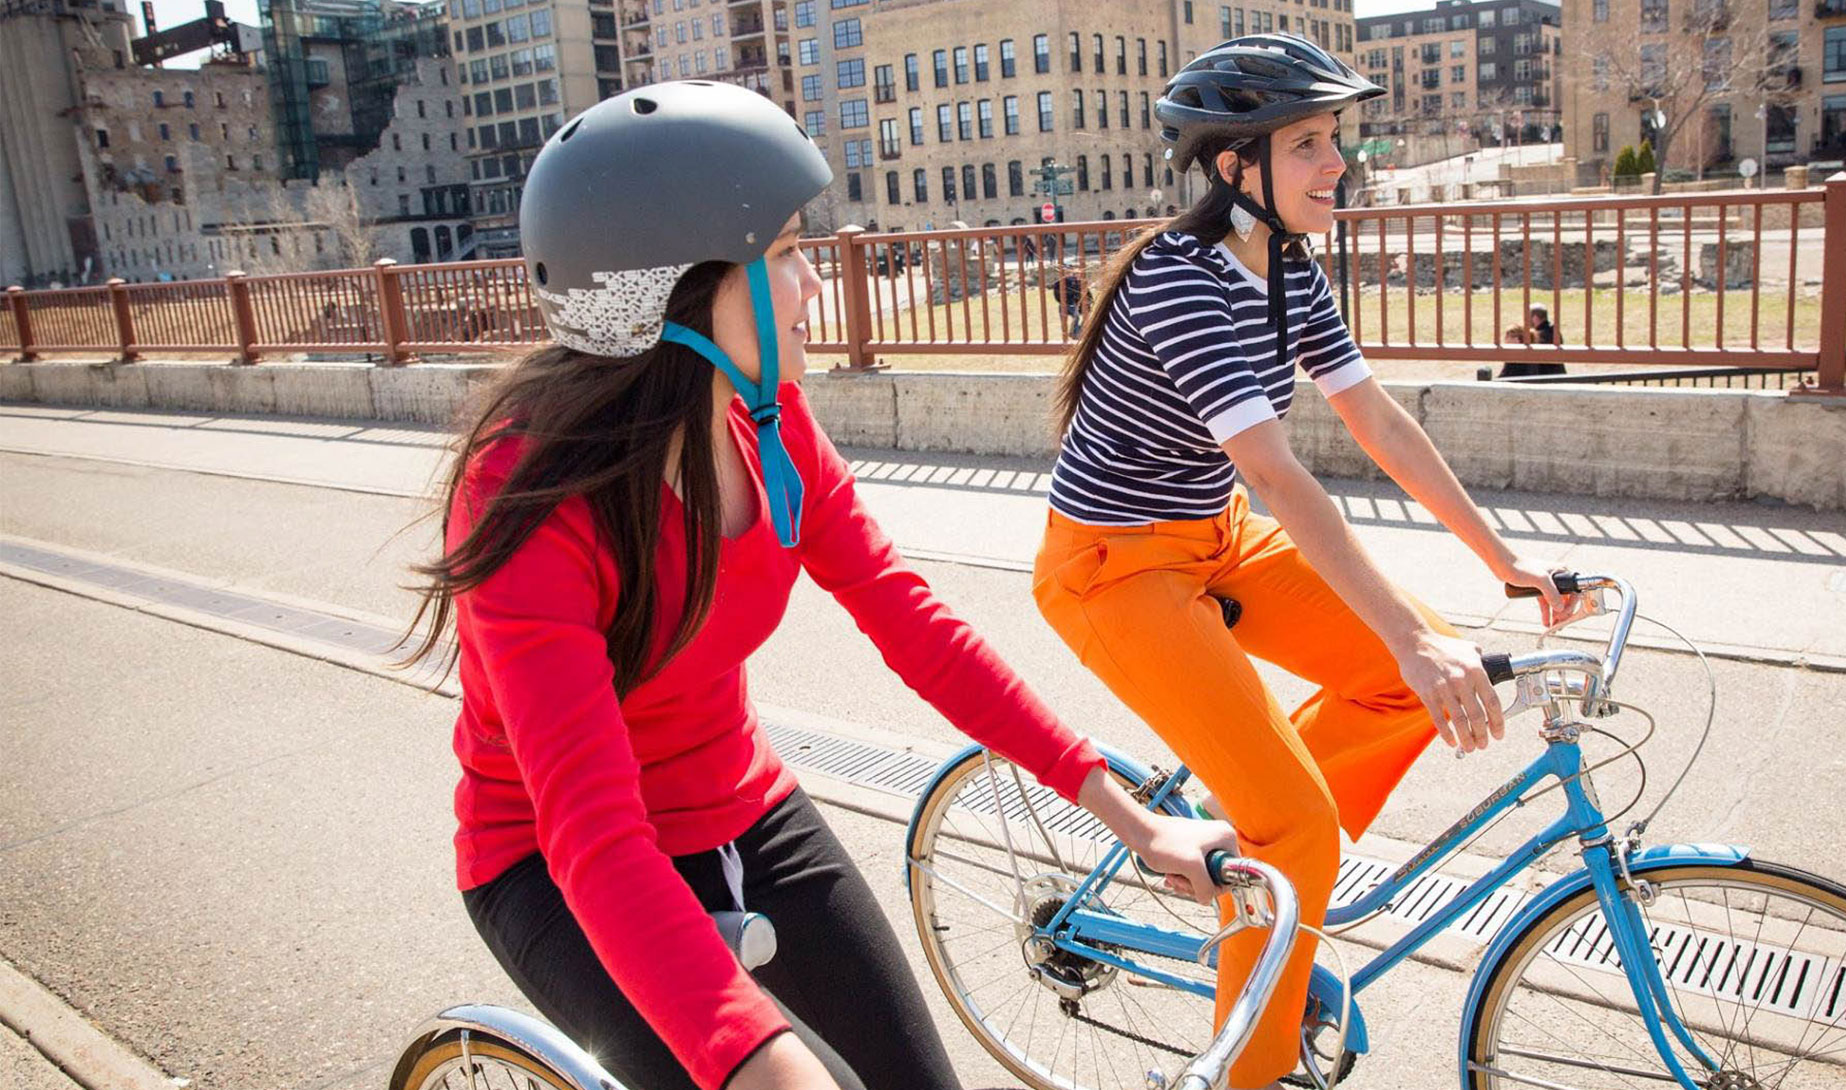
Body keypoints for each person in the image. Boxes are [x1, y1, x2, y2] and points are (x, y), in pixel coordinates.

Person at [401, 82, 1234, 1090]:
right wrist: (754, 1056)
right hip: (555, 863)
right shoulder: (528, 494)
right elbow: (594, 832)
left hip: (741, 807)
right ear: (679, 289)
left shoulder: (768, 421)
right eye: (789, 252)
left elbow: (912, 622)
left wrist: (1132, 818)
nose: (814, 286)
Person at [1032, 35, 1569, 1089]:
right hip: (1114, 565)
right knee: (1306, 817)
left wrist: (1504, 562)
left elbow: (1377, 421)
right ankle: (1250, 1065)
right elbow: (1279, 473)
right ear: (1236, 165)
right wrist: (1405, 636)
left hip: (1216, 536)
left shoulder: (1287, 266)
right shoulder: (1179, 279)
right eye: (1309, 144)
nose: (1338, 164)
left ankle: (1247, 852)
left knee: (1410, 681)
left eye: (1335, 139)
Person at [1500, 304, 1566, 378]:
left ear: (1535, 318)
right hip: (1557, 376)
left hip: (1542, 378)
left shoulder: (1541, 336)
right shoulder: (1554, 332)